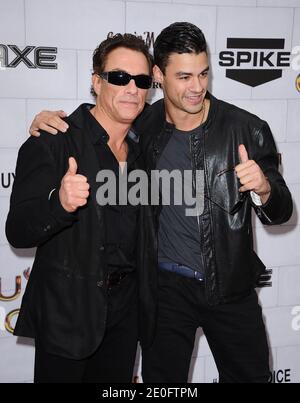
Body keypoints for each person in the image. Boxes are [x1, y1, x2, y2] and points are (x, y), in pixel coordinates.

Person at [28, 22, 293, 383]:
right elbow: (97, 127)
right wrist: (46, 122)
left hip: (231, 288)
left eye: (203, 73)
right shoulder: (143, 126)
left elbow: (283, 211)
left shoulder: (246, 128)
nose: (196, 87)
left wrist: (264, 188)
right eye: (184, 76)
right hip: (165, 293)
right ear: (159, 75)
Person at [6, 33, 154, 383]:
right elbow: (18, 230)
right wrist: (58, 203)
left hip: (125, 314)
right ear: (96, 82)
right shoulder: (55, 139)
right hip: (69, 313)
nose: (131, 88)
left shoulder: (145, 149)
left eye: (142, 80)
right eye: (119, 77)